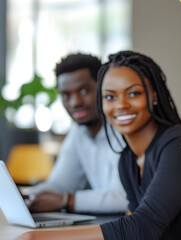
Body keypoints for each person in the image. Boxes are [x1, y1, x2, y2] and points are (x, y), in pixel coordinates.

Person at [17, 51, 181, 240]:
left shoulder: (177, 142)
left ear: (154, 95)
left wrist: (39, 237)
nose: (121, 105)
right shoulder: (127, 159)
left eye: (133, 93)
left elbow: (145, 225)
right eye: (110, 97)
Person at [28, 53, 128, 214]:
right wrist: (28, 196)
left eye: (84, 91)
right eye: (66, 95)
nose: (75, 103)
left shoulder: (124, 128)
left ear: (103, 87)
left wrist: (66, 200)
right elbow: (59, 185)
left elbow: (123, 198)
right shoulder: (78, 132)